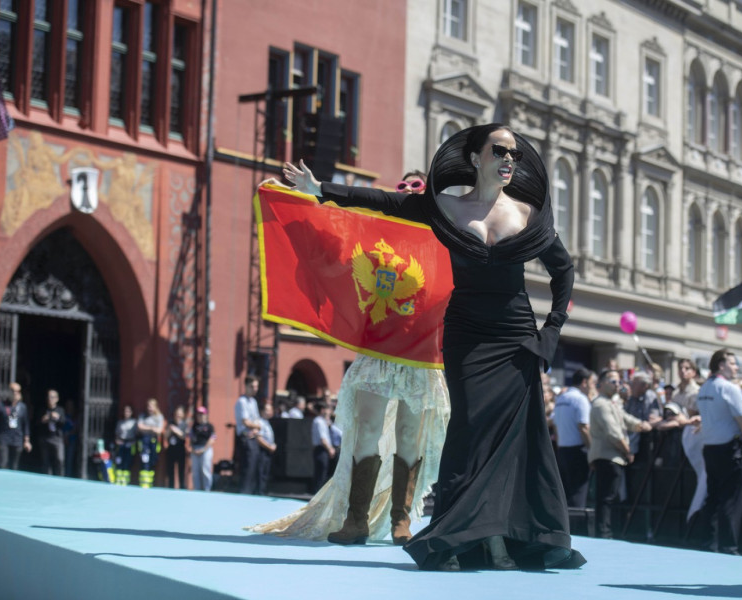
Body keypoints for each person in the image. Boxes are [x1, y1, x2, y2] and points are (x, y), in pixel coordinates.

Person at [277, 123, 585, 571]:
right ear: (475, 157)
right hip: (466, 336)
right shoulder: (444, 206)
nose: (508, 160)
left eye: (514, 155)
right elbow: (384, 201)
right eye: (499, 151)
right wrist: (321, 189)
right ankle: (461, 535)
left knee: (513, 442)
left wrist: (551, 331)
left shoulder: (525, 212)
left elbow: (564, 272)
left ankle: (500, 539)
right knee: (467, 434)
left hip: (516, 337)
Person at [248, 171, 450, 549]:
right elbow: (334, 240)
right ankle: (356, 519)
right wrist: (306, 200)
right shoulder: (372, 235)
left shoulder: (444, 238)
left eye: (415, 186)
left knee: (409, 435)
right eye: (402, 184)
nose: (406, 189)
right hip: (377, 348)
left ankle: (400, 521)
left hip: (422, 352)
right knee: (367, 428)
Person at [695, 349, 742, 554]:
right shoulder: (730, 388)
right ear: (721, 365)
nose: (736, 367)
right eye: (733, 363)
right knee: (730, 499)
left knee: (713, 496)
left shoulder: (703, 389)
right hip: (729, 448)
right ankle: (729, 546)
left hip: (710, 448)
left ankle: (708, 543)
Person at [589, 369, 652, 539]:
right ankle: (604, 532)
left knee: (609, 497)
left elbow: (626, 419)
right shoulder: (601, 404)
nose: (618, 385)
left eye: (618, 382)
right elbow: (614, 433)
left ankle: (605, 531)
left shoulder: (611, 403)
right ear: (601, 384)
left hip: (612, 456)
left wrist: (642, 425)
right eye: (613, 381)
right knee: (606, 498)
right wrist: (628, 450)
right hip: (607, 456)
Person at [552, 368, 593, 508]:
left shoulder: (561, 398)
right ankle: (577, 527)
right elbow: (584, 427)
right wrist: (592, 450)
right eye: (592, 383)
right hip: (578, 451)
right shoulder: (581, 399)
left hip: (562, 450)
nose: (592, 386)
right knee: (578, 493)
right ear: (584, 382)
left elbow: (556, 426)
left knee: (566, 492)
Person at [0, 382, 32, 470]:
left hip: (17, 439)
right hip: (4, 438)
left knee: (14, 465)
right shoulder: (1, 405)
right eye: (13, 391)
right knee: (3, 463)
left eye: (17, 391)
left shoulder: (22, 407)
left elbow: (26, 425)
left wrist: (27, 441)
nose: (15, 393)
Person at [235, 376, 263, 494]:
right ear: (246, 386)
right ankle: (244, 493)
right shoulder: (242, 401)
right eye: (252, 386)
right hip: (245, 438)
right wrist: (256, 426)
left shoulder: (253, 402)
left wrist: (256, 428)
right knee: (247, 468)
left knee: (254, 468)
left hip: (253, 437)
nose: (255, 389)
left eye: (256, 386)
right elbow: (245, 421)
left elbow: (257, 421)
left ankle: (251, 493)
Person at [136, 398, 165, 488]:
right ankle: (143, 482)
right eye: (148, 406)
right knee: (144, 459)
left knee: (153, 460)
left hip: (153, 441)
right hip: (144, 440)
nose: (149, 408)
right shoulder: (143, 416)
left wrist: (148, 427)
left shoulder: (159, 417)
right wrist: (151, 428)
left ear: (155, 407)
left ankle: (149, 482)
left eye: (151, 406)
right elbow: (140, 426)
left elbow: (159, 430)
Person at [38, 389, 66, 476]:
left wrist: (57, 418)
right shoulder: (43, 410)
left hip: (56, 437)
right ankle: (47, 476)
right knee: (45, 460)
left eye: (52, 397)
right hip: (45, 437)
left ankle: (60, 476)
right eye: (49, 397)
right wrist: (43, 420)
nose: (50, 399)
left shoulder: (60, 410)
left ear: (57, 399)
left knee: (60, 458)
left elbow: (63, 422)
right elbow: (36, 423)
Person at [189, 405, 216, 491]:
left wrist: (204, 449)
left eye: (202, 414)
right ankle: (197, 489)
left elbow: (212, 438)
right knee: (196, 471)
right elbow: (190, 438)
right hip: (195, 449)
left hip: (205, 449)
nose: (200, 416)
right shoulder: (194, 426)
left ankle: (207, 489)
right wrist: (193, 449)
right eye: (199, 414)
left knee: (205, 470)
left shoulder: (210, 426)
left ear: (206, 415)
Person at [256, 403, 277, 496]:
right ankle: (259, 492)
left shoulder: (267, 422)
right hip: (262, 451)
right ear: (262, 411)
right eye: (268, 410)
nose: (270, 412)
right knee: (260, 473)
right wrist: (269, 446)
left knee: (265, 473)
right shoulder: (259, 422)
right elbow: (259, 438)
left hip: (268, 451)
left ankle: (263, 491)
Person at [113, 405, 138, 485]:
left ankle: (125, 480)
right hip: (121, 443)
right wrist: (117, 441)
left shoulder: (134, 422)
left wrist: (133, 442)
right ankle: (118, 479)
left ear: (131, 412)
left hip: (130, 443)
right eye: (125, 411)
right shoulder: (120, 422)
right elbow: (117, 433)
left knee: (127, 461)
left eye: (128, 411)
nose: (126, 413)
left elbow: (136, 434)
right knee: (119, 461)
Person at [165, 405, 188, 489]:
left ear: (183, 415)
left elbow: (184, 436)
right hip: (171, 448)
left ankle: (182, 487)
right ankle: (171, 487)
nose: (178, 415)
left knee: (181, 470)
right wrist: (169, 430)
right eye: (176, 413)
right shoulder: (170, 423)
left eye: (179, 414)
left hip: (180, 449)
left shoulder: (184, 424)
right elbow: (165, 436)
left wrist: (176, 430)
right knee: (170, 470)